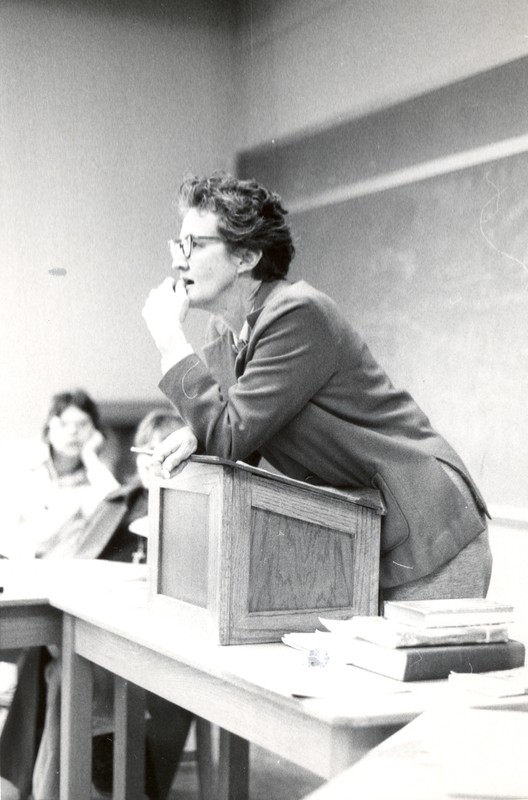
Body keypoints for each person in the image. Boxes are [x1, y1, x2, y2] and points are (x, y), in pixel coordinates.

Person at [142, 170, 492, 603]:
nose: (179, 259)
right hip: (368, 529)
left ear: (247, 256)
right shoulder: (227, 332)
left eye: (195, 244)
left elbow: (229, 437)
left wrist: (172, 345)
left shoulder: (296, 313)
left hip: (429, 527)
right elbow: (236, 436)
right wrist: (193, 434)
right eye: (179, 244)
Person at [0, 408, 193, 800]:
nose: (154, 462)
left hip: (149, 640)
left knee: (69, 671)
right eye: (146, 452)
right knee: (64, 663)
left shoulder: (187, 508)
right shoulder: (121, 502)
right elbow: (74, 560)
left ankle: (52, 789)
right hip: (93, 620)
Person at [1, 388, 119, 560]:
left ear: (95, 432)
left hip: (68, 573)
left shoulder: (95, 475)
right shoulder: (22, 466)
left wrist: (90, 456)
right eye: (64, 424)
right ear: (49, 427)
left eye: (82, 424)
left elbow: (117, 508)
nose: (73, 432)